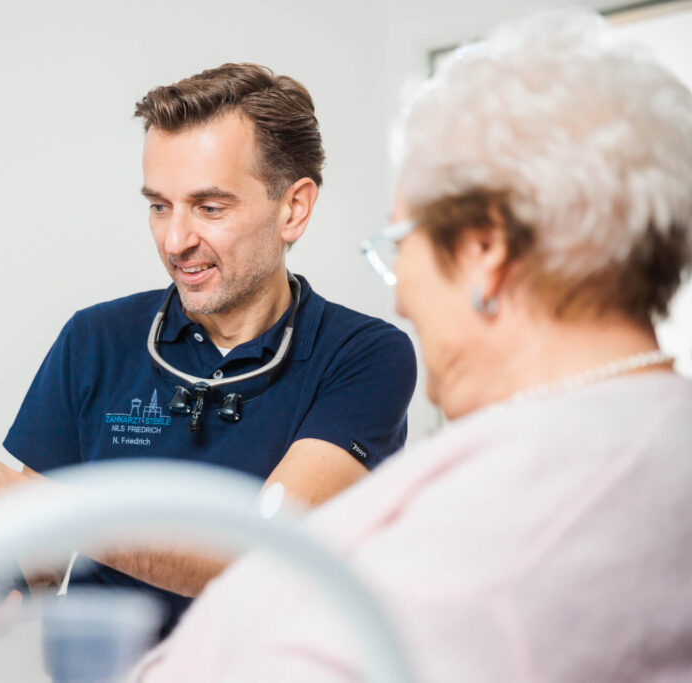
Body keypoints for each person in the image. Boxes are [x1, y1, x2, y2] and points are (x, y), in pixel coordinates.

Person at [129, 9, 692, 681]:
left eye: (402, 245)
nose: (399, 300)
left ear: (486, 250)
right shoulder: (657, 437)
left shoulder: (494, 535)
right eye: (159, 205)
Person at [0, 63, 417, 635]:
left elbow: (264, 560)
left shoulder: (364, 356)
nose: (175, 241)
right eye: (159, 205)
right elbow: (37, 568)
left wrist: (34, 505)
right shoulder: (95, 339)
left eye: (210, 207)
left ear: (293, 209)